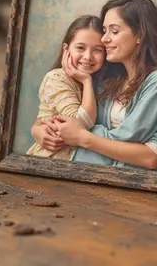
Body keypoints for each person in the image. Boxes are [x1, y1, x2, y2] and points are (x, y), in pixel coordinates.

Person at [33, 0, 157, 171]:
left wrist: (82, 136)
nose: (104, 39)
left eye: (114, 31)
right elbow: (55, 115)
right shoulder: (106, 78)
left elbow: (130, 140)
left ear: (140, 35)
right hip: (85, 172)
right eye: (104, 31)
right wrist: (38, 130)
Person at [27, 15, 105, 160]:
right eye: (80, 47)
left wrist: (36, 128)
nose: (88, 56)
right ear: (66, 49)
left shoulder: (103, 81)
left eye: (98, 50)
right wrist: (86, 81)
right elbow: (80, 125)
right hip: (53, 159)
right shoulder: (56, 78)